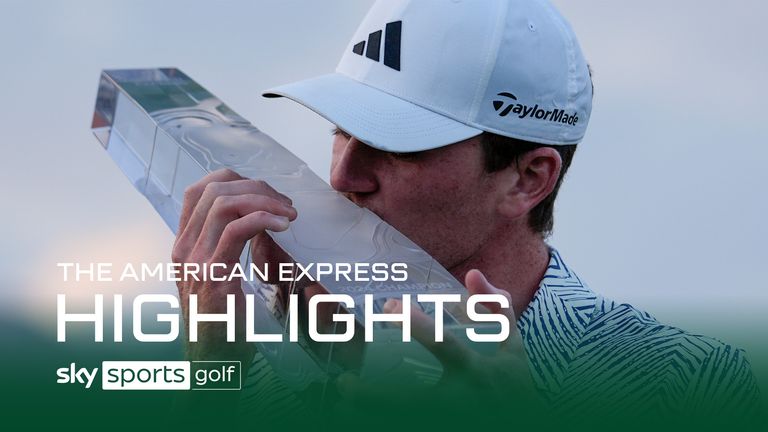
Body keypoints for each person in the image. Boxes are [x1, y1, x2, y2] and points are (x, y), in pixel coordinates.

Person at [171, 0, 761, 423]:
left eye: (396, 146)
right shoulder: (268, 357)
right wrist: (214, 370)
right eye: (340, 130)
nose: (343, 176)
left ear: (528, 180)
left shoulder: (685, 385)